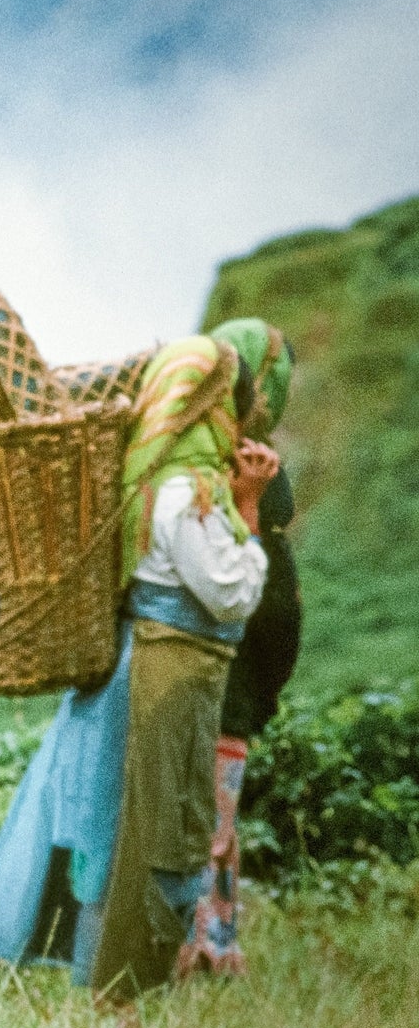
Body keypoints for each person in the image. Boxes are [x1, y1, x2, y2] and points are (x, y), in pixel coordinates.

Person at [0, 334, 276, 998]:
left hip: (162, 667)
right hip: (169, 669)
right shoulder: (188, 491)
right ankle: (124, 983)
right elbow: (231, 592)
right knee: (155, 822)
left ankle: (122, 977)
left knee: (137, 815)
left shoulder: (151, 474)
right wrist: (249, 510)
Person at [180, 318, 299, 977]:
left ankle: (215, 939)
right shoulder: (238, 468)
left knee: (211, 815)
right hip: (227, 678)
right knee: (212, 819)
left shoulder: (239, 456)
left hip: (230, 681)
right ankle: (208, 943)